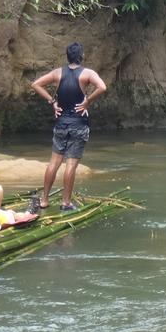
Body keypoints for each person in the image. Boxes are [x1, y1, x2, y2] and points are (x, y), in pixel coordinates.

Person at [30, 41, 108, 211]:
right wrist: (87, 102)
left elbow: (35, 84)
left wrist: (52, 102)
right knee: (70, 165)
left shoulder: (58, 73)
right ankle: (65, 203)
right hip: (78, 124)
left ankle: (44, 200)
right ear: (82, 56)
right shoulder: (87, 73)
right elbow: (102, 87)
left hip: (61, 123)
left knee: (54, 163)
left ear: (67, 56)